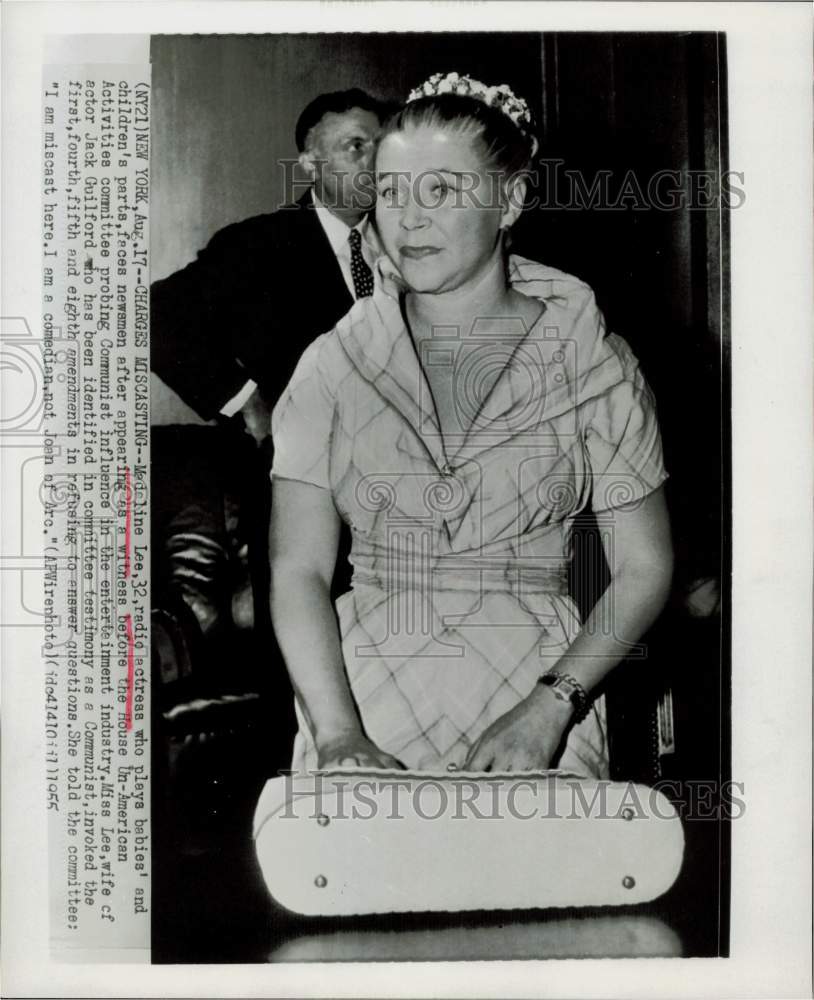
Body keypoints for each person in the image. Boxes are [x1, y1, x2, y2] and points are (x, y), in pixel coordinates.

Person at [269, 72, 673, 777]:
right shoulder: (333, 364)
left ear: (509, 200)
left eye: (442, 192)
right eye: (391, 192)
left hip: (541, 689)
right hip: (364, 695)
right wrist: (337, 734)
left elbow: (644, 567)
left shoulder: (595, 360)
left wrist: (552, 707)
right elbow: (297, 569)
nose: (410, 219)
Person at [151, 88, 391, 441]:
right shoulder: (259, 244)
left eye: (380, 146)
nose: (375, 162)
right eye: (355, 146)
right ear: (310, 163)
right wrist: (246, 402)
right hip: (302, 470)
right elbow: (154, 315)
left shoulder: (407, 241)